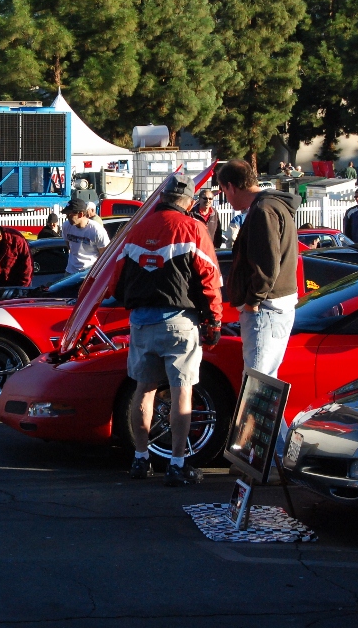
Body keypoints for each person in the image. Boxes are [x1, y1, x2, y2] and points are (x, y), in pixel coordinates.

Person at [111, 174, 222, 486]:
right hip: (179, 321)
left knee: (143, 390)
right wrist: (214, 321)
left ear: (161, 198)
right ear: (188, 201)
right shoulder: (193, 227)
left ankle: (140, 458)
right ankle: (176, 463)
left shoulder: (135, 229)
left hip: (141, 321)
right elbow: (210, 278)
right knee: (181, 391)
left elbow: (115, 279)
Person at [218, 159, 299, 378]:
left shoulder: (264, 210)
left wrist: (252, 302)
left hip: (266, 308)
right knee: (264, 383)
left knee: (257, 384)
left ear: (231, 187)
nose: (226, 198)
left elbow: (266, 266)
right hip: (274, 307)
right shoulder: (273, 205)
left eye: (224, 191)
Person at [62, 197, 109, 274]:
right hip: (70, 272)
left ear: (81, 214)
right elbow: (69, 246)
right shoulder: (66, 226)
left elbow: (104, 256)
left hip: (88, 273)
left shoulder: (96, 230)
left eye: (70, 215)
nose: (67, 217)